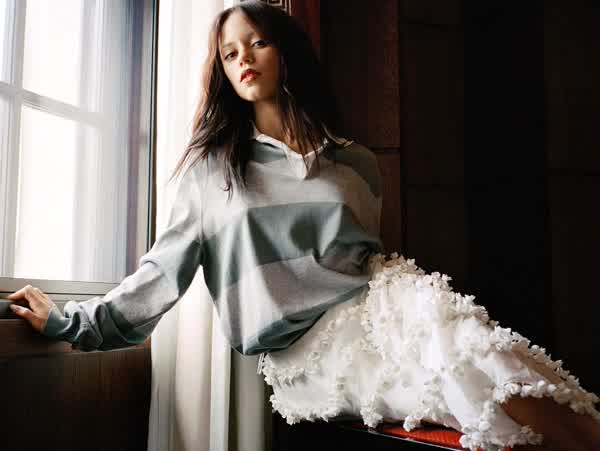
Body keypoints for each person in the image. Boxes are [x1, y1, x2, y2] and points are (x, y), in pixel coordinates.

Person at [7, 2, 599, 449]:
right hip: (307, 355)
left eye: (257, 42)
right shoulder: (213, 173)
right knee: (473, 374)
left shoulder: (356, 163)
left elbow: (365, 260)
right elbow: (160, 276)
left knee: (493, 361)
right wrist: (70, 322)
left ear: (286, 51)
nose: (243, 59)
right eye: (229, 53)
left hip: (388, 311)